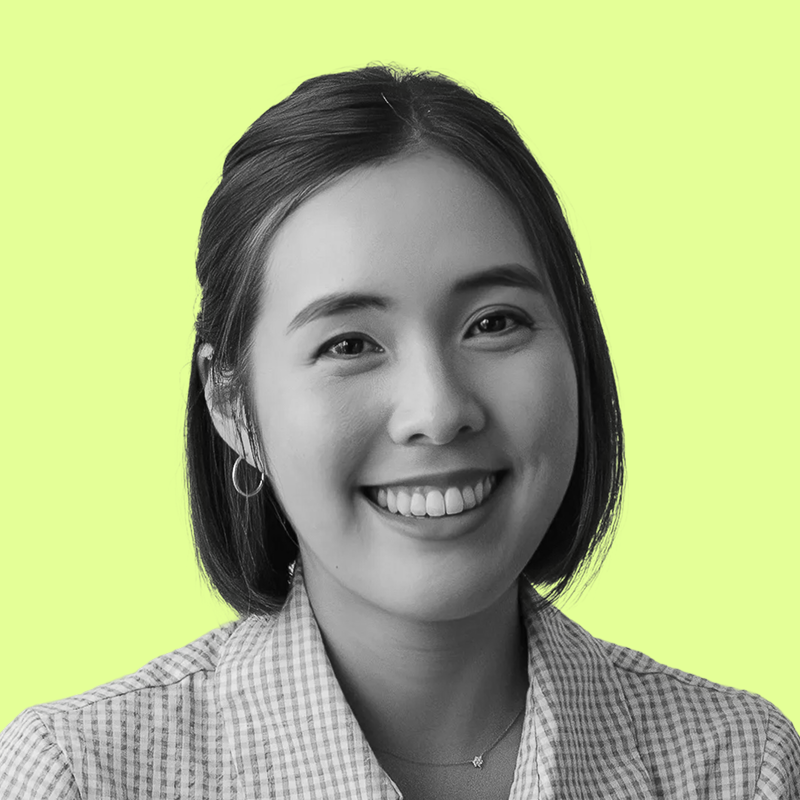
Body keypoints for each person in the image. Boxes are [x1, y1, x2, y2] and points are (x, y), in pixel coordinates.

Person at [0, 63, 797, 800]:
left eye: (494, 323)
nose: (438, 411)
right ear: (232, 404)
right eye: (349, 344)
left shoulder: (736, 766)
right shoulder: (83, 776)